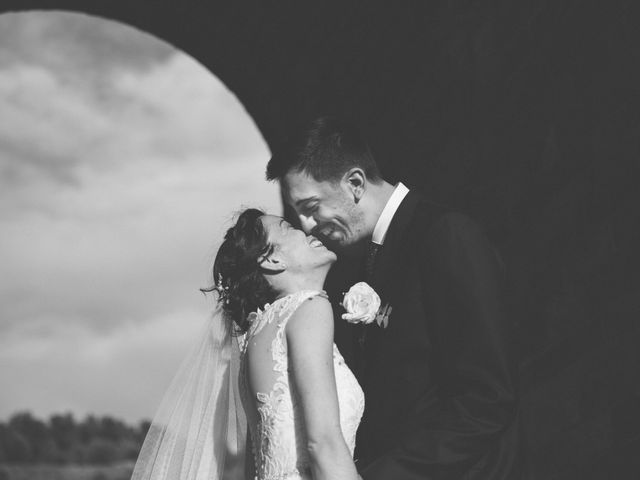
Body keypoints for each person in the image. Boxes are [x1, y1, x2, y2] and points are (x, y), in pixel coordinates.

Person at [266, 116, 522, 479]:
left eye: (310, 207)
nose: (307, 226)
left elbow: (487, 399)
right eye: (298, 215)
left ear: (355, 183)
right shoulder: (359, 264)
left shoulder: (445, 236)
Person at [131, 208, 364, 480]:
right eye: (289, 228)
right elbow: (323, 444)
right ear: (272, 259)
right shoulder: (309, 308)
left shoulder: (255, 335)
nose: (306, 230)